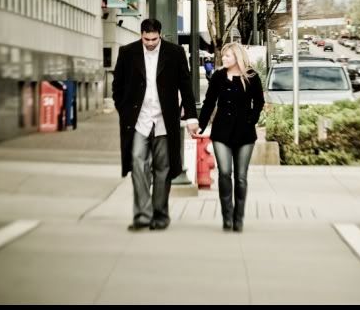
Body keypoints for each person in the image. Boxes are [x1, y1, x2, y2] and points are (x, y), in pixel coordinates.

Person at [112, 18, 199, 232]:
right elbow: (117, 86)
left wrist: (191, 116)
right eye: (146, 39)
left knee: (163, 168)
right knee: (136, 162)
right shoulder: (127, 52)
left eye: (154, 39)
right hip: (138, 120)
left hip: (163, 120)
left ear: (160, 35)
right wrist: (123, 110)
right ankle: (142, 214)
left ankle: (160, 215)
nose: (150, 43)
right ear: (141, 35)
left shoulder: (175, 53)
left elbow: (186, 86)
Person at [197, 42, 265, 232]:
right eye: (224, 56)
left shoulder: (251, 76)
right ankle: (227, 216)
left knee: (241, 177)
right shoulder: (218, 76)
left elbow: (259, 102)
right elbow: (209, 102)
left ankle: (238, 218)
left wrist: (252, 119)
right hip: (221, 132)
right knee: (225, 173)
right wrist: (201, 126)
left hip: (245, 133)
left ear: (237, 57)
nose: (224, 58)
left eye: (228, 56)